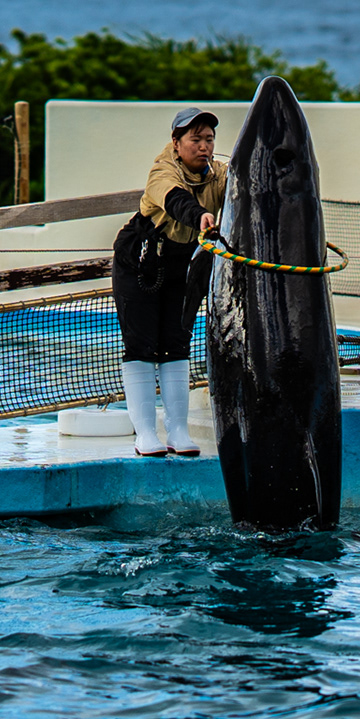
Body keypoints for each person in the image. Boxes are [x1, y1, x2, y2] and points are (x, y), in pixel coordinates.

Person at [111, 106, 226, 457]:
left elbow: (247, 187)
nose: (204, 146)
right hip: (139, 263)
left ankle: (178, 431)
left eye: (209, 139)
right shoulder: (163, 170)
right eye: (195, 139)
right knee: (142, 346)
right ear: (176, 142)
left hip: (182, 267)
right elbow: (175, 200)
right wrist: (200, 214)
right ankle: (146, 434)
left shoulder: (218, 174)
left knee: (177, 344)